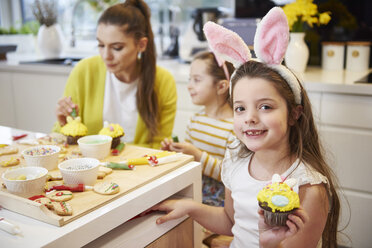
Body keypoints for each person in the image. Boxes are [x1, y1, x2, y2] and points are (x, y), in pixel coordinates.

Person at [150, 8, 340, 248]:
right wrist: (190, 207)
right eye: (240, 108)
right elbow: (231, 221)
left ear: (294, 114)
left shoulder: (308, 189)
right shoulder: (236, 161)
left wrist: (267, 243)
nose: (250, 118)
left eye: (265, 107)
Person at [53, 0, 177, 149]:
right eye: (101, 45)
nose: (106, 56)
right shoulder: (84, 72)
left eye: (117, 48)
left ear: (141, 45)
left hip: (139, 168)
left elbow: (159, 147)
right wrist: (65, 125)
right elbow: (60, 139)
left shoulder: (163, 82)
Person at [161, 51, 235, 207]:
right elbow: (187, 161)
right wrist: (175, 152)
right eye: (190, 79)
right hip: (193, 192)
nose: (189, 86)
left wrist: (197, 156)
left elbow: (232, 175)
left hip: (221, 203)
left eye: (197, 80)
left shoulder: (234, 128)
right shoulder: (195, 120)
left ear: (221, 86)